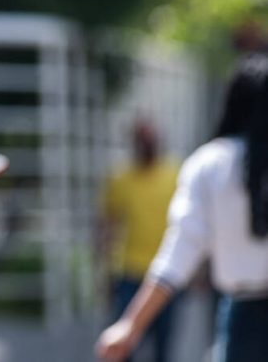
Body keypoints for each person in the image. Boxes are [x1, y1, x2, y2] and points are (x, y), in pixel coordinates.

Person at [97, 53, 268, 362]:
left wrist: (130, 325)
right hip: (132, 270)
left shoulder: (211, 164)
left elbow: (180, 250)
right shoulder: (125, 177)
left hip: (244, 315)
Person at [97, 119, 180, 362]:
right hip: (131, 274)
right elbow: (108, 227)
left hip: (167, 275)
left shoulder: (175, 175)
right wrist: (104, 272)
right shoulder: (121, 178)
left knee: (163, 347)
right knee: (124, 347)